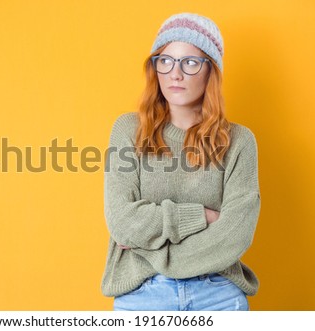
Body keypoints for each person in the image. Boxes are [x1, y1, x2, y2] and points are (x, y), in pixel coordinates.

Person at [101, 13, 261, 311]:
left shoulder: (239, 141)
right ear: (156, 68)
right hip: (143, 293)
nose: (175, 73)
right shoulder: (128, 131)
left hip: (218, 294)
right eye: (165, 60)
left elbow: (236, 233)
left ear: (210, 71)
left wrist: (150, 247)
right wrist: (203, 216)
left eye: (190, 62)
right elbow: (122, 222)